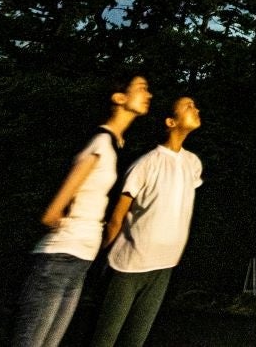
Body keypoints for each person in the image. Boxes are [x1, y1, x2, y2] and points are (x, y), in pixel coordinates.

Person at [12, 74, 153, 347]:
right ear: (119, 98)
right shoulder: (100, 143)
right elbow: (52, 211)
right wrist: (75, 226)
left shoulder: (113, 145)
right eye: (141, 88)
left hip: (78, 263)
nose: (148, 94)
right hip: (58, 259)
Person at [89, 95, 204, 347]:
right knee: (104, 338)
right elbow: (117, 217)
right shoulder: (146, 164)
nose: (195, 109)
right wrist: (97, 260)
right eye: (188, 106)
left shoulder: (192, 164)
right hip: (128, 265)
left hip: (163, 265)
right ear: (170, 122)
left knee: (135, 340)